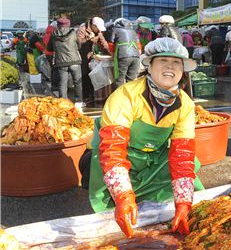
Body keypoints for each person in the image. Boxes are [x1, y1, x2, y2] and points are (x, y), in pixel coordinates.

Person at [87, 38, 205, 239]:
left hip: (153, 155)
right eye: (163, 61)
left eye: (176, 62)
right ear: (149, 66)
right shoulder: (126, 95)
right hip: (118, 155)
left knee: (190, 165)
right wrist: (123, 196)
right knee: (114, 207)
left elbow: (182, 153)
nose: (170, 67)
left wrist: (183, 203)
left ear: (183, 71)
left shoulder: (185, 104)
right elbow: (113, 150)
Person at [47, 18, 83, 102]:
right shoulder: (73, 33)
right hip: (75, 61)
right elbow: (79, 46)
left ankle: (63, 102)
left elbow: (49, 48)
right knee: (77, 82)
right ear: (68, 25)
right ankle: (79, 102)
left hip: (61, 62)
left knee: (62, 83)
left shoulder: (53, 35)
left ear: (58, 25)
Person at [77, 17, 111, 103]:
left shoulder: (98, 32)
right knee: (84, 76)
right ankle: (84, 98)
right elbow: (78, 44)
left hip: (91, 56)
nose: (100, 31)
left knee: (92, 75)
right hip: (81, 57)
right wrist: (88, 38)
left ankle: (92, 96)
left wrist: (110, 53)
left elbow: (103, 43)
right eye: (98, 28)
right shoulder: (82, 30)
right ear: (93, 26)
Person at [111, 18, 140, 88]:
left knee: (119, 80)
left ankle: (118, 97)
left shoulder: (115, 30)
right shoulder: (133, 31)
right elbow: (138, 43)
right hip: (136, 56)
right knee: (131, 81)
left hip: (124, 56)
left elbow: (111, 42)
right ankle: (129, 97)